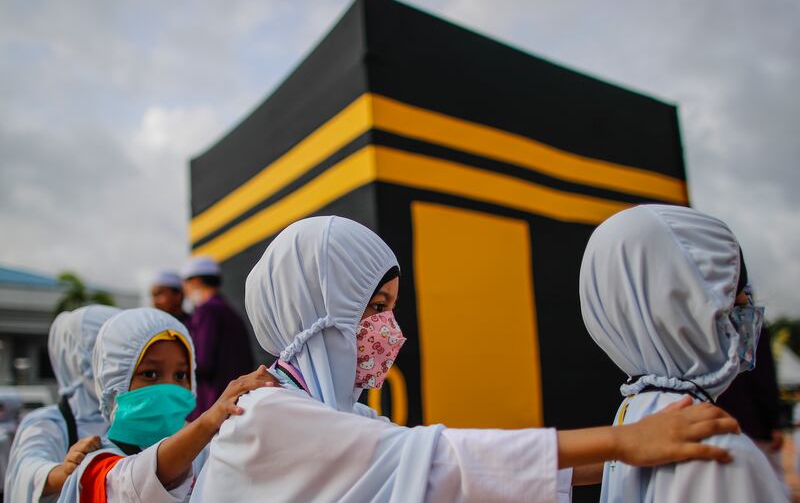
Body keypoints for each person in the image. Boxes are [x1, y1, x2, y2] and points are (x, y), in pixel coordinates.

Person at [191, 216, 740, 503]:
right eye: (375, 307)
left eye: (391, 308)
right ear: (317, 308)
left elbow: (466, 472)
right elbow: (439, 459)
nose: (388, 328)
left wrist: (631, 451)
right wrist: (621, 442)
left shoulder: (347, 421)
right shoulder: (264, 414)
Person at [579, 204, 788, 502]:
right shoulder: (718, 450)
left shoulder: (636, 417)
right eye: (736, 293)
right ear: (697, 304)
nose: (746, 308)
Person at [57, 308, 275, 502]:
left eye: (181, 375)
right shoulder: (94, 465)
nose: (170, 387)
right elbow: (135, 482)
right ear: (113, 385)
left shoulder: (209, 451)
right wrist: (209, 419)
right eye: (150, 374)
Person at [5, 305, 119, 502]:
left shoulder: (131, 416)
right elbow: (28, 471)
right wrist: (67, 470)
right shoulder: (47, 423)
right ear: (78, 360)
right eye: (112, 356)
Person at [181, 256, 255, 419]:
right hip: (237, 402)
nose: (184, 291)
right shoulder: (228, 310)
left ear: (196, 282)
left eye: (185, 284)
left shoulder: (207, 312)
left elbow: (202, 362)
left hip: (215, 405)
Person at [717, 325, 786, 481]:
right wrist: (774, 424)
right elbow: (764, 379)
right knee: (770, 483)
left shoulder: (707, 327)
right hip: (755, 424)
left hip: (719, 423)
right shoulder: (752, 327)